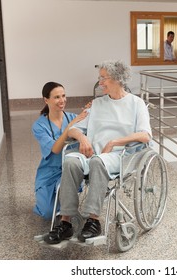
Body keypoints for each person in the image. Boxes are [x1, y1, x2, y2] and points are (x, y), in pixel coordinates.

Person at [43, 60, 152, 244]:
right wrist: (83, 138)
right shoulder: (96, 104)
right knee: (70, 160)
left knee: (97, 162)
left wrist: (115, 141)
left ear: (118, 79)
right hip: (93, 154)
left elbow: (145, 135)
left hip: (121, 156)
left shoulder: (136, 104)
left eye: (103, 78)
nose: (99, 82)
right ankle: (66, 222)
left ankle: (93, 221)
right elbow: (73, 129)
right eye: (99, 78)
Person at [32, 82, 89, 220]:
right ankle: (53, 201)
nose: (62, 100)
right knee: (47, 213)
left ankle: (65, 202)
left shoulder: (73, 117)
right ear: (46, 100)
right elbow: (56, 149)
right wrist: (70, 127)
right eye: (57, 97)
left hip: (70, 168)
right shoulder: (39, 125)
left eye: (63, 96)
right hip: (49, 172)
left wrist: (91, 109)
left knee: (64, 204)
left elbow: (92, 126)